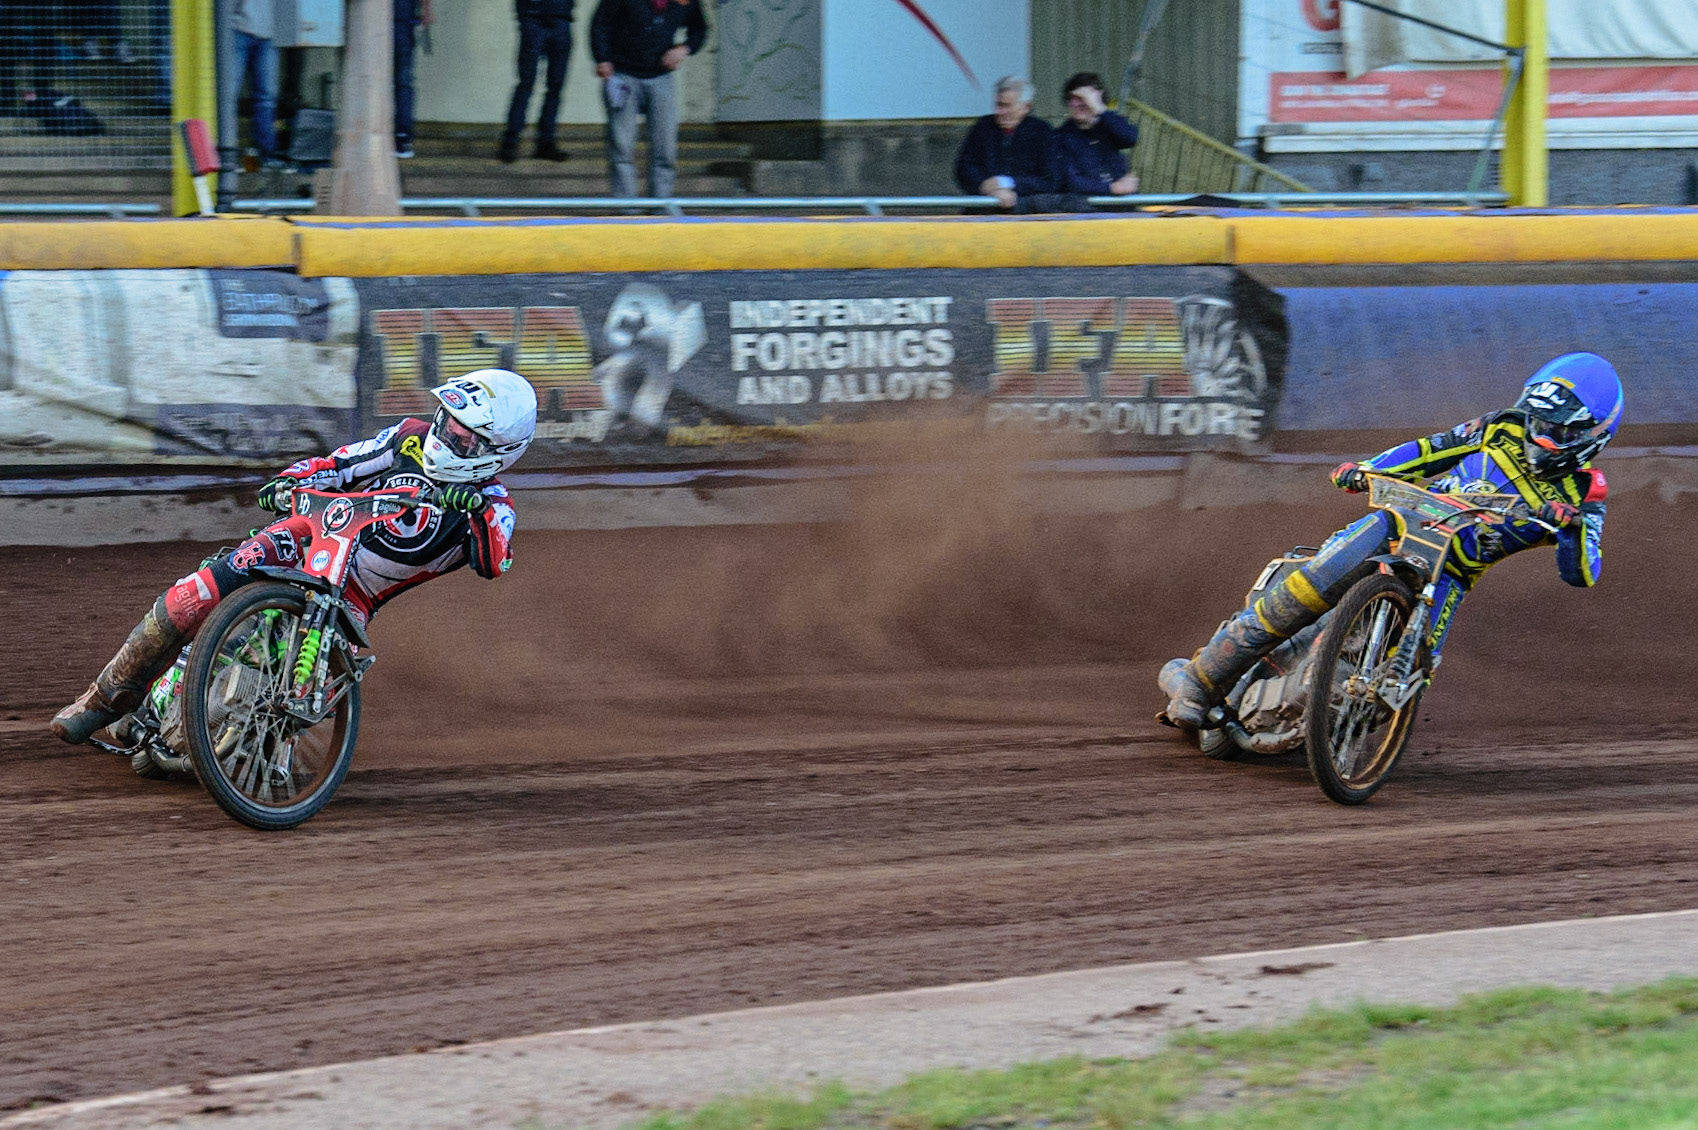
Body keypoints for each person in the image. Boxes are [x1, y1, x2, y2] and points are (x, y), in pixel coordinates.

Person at [52, 370, 538, 746]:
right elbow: (339, 464)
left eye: (465, 435)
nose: (448, 436)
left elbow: (497, 560)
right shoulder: (409, 437)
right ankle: (102, 698)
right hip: (310, 536)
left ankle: (235, 745)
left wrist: (469, 505)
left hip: (353, 598)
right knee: (192, 595)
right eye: (448, 422)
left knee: (294, 690)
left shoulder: (493, 506)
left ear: (499, 451)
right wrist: (290, 479)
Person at [1160, 352, 1623, 731]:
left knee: (1413, 674)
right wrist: (1368, 468)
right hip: (1403, 522)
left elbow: (1583, 573)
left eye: (1557, 432)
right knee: (1314, 582)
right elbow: (1431, 449)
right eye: (1537, 421)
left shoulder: (1585, 496)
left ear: (1592, 438)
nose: (1538, 436)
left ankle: (1332, 731)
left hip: (1452, 573)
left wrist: (1573, 527)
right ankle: (1201, 681)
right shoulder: (1501, 426)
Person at [590, 0, 708, 197]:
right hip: (623, 75)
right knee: (622, 147)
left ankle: (660, 207)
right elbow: (600, 23)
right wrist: (602, 58)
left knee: (665, 148)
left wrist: (684, 49)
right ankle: (626, 210)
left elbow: (699, 29)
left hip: (661, 77)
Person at [953, 76, 1059, 211]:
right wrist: (985, 186)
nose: (1000, 111)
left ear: (1026, 107)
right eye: (998, 104)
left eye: (1006, 106)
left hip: (1028, 212)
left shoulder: (1042, 131)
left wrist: (1008, 184)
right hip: (984, 209)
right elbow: (963, 169)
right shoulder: (982, 127)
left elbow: (1049, 180)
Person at [498, 0, 574, 163]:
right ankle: (512, 140)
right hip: (535, 18)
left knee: (555, 85)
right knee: (528, 82)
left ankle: (544, 142)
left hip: (558, 17)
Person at [1055, 72, 1139, 197]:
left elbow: (1130, 137)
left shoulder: (1108, 126)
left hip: (1122, 205)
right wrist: (1113, 188)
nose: (1076, 104)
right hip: (1087, 210)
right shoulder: (1061, 137)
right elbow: (1070, 181)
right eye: (1072, 98)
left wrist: (1100, 109)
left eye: (1082, 98)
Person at [226, 0, 283, 167]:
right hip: (238, 27)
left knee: (265, 96)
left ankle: (266, 153)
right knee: (231, 94)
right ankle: (226, 152)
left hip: (267, 32)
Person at [394, 0, 433, 158]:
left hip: (398, 19)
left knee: (401, 81)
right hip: (404, 17)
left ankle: (402, 135)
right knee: (404, 81)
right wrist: (426, 10)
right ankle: (403, 137)